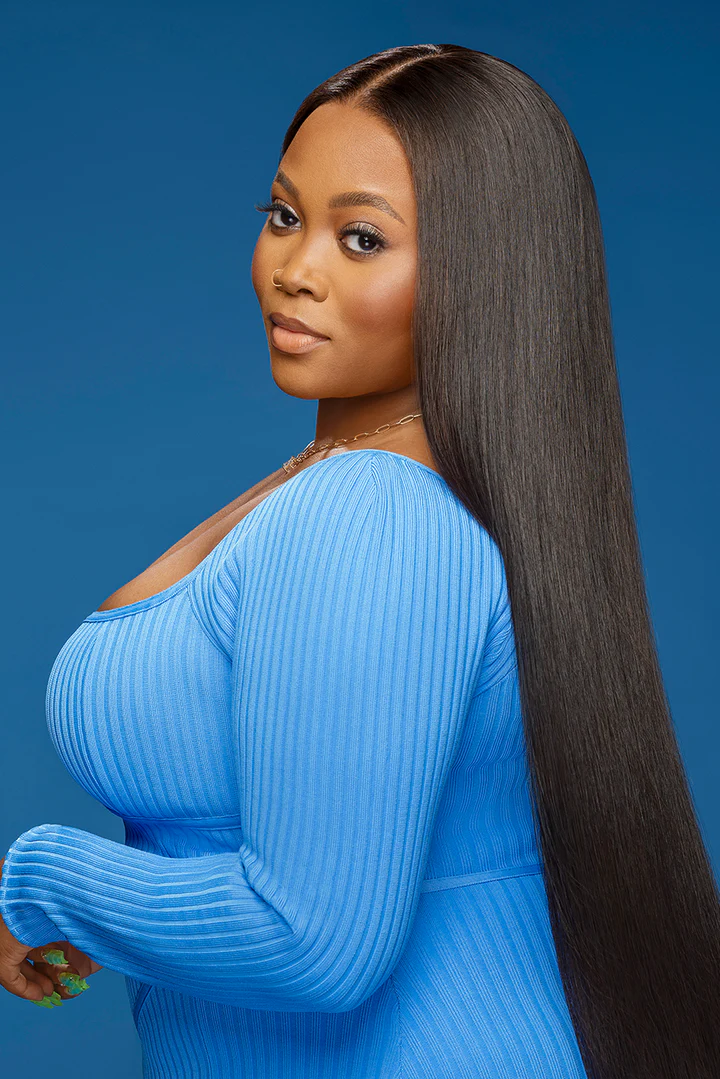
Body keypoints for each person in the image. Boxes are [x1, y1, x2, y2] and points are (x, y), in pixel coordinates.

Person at [1, 42, 718, 1079]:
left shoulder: (368, 513)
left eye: (363, 237)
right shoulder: (345, 480)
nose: (296, 268)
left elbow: (312, 940)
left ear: (481, 273)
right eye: (285, 215)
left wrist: (43, 883)